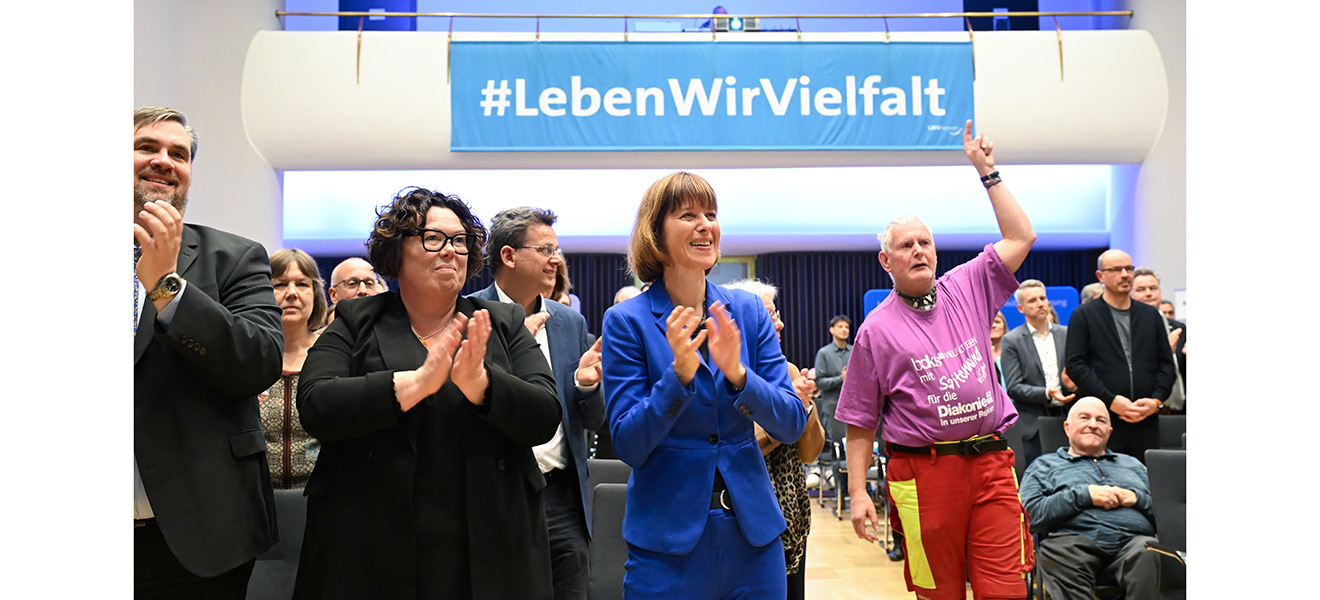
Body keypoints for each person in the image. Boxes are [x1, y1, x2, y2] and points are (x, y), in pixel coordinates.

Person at [293, 187, 561, 599]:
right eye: (433, 238)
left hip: (490, 544)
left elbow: (544, 413)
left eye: (459, 241)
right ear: (396, 251)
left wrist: (482, 386)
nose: (450, 251)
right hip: (371, 543)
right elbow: (315, 404)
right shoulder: (356, 319)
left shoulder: (502, 321)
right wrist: (414, 384)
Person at [835, 119, 1037, 600]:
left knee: (1006, 590)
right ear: (887, 262)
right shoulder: (875, 331)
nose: (919, 251)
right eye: (906, 245)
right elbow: (860, 421)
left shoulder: (968, 284)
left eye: (925, 242)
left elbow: (1021, 237)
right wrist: (860, 492)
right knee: (939, 593)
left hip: (990, 461)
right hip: (923, 475)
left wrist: (987, 172)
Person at [600, 171, 808, 599]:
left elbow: (791, 424)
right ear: (655, 234)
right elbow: (629, 444)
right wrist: (677, 377)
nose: (705, 225)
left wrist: (740, 376)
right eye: (688, 214)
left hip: (754, 541)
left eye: (711, 214)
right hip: (665, 546)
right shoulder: (627, 322)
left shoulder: (749, 313)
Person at [133, 106, 283, 598]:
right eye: (146, 148)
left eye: (178, 154)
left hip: (195, 537)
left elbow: (258, 362)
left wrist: (167, 287)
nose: (164, 160)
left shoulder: (233, 256)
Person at [471, 206, 606, 600]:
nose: (556, 260)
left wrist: (585, 386)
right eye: (545, 249)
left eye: (557, 249)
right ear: (509, 256)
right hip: (497, 496)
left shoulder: (570, 322)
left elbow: (594, 419)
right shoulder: (469, 315)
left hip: (563, 498)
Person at [724, 278, 826, 600]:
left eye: (777, 313)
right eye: (770, 315)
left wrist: (804, 408)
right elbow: (739, 452)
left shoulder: (789, 370)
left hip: (790, 516)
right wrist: (784, 417)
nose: (780, 322)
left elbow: (809, 453)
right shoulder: (723, 380)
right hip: (743, 516)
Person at [1019, 397, 1159, 600]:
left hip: (1133, 543)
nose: (1093, 425)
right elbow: (1028, 516)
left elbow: (1168, 516)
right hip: (1072, 543)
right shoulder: (1043, 466)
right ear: (1067, 427)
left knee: (1150, 551)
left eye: (1101, 420)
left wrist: (1137, 499)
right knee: (1058, 551)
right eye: (1084, 418)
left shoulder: (1134, 465)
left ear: (1109, 432)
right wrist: (1085, 495)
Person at [1064, 250, 1176, 464]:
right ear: (1100, 276)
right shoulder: (1084, 315)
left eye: (1129, 269)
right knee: (1104, 486)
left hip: (1146, 419)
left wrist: (1156, 400)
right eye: (1116, 269)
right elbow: (1076, 365)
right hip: (1102, 419)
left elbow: (1166, 364)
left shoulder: (1150, 315)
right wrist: (1112, 401)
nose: (1125, 274)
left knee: (1146, 485)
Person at [259, 248, 329, 490]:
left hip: (324, 498)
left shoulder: (334, 353)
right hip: (257, 499)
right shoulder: (248, 356)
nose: (291, 293)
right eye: (279, 285)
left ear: (315, 294)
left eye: (302, 284)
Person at [1001, 279, 1076, 470]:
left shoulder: (1067, 334)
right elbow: (1014, 386)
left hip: (1068, 418)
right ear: (1020, 308)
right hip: (1033, 425)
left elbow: (1078, 373)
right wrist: (1047, 393)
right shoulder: (1012, 340)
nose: (1040, 303)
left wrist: (1072, 386)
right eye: (1033, 300)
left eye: (1043, 298)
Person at [1131, 267, 1186, 413]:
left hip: (1180, 410)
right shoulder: (1126, 329)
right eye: (1141, 289)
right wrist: (1165, 351)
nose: (1148, 293)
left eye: (1153, 288)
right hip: (1144, 408)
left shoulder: (1178, 328)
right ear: (1130, 294)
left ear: (1160, 292)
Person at [990, 310, 1008, 386]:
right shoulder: (975, 354)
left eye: (997, 322)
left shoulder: (1014, 350)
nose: (994, 325)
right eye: (990, 322)